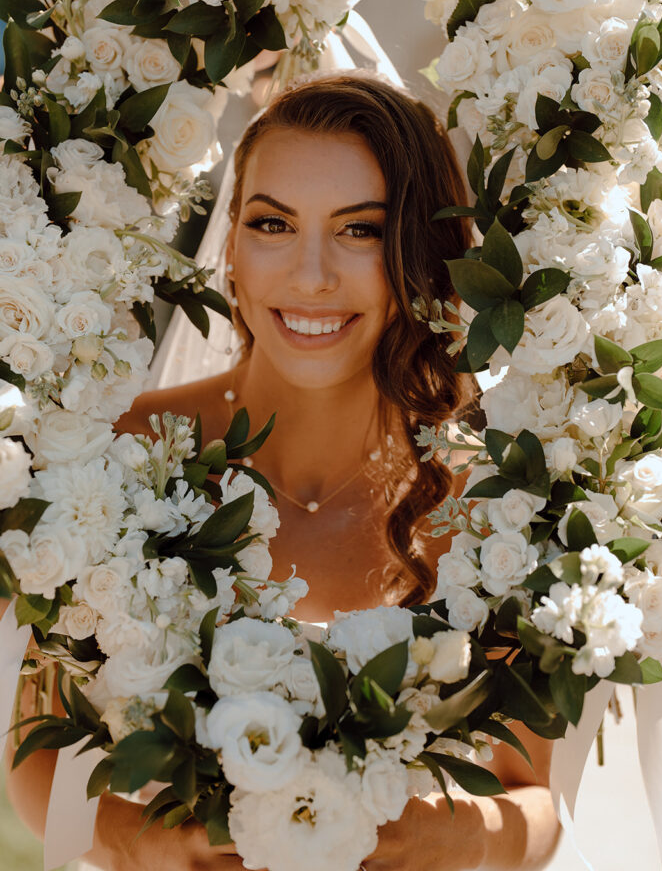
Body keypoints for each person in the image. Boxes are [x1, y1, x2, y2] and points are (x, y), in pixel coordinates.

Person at [6, 74, 561, 870]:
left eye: (360, 231)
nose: (310, 276)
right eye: (272, 223)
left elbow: (533, 800)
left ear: (422, 254)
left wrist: (445, 835)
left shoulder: (494, 505)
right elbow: (36, 755)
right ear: (230, 243)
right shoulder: (108, 455)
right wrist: (146, 844)